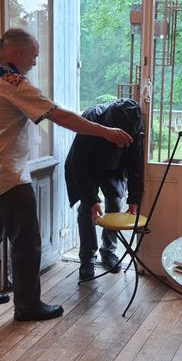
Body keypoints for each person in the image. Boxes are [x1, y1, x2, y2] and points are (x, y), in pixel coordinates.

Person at [0, 28, 132, 322]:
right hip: (8, 178)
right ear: (18, 52)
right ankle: (28, 305)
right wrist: (106, 133)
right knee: (26, 243)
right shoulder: (13, 82)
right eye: (34, 55)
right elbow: (60, 116)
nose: (34, 61)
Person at [64, 98, 143, 281]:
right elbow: (79, 164)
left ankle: (109, 252)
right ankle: (87, 258)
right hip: (86, 167)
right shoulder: (92, 119)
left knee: (115, 202)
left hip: (113, 168)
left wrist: (134, 199)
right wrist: (92, 199)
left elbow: (135, 165)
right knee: (86, 210)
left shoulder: (134, 124)